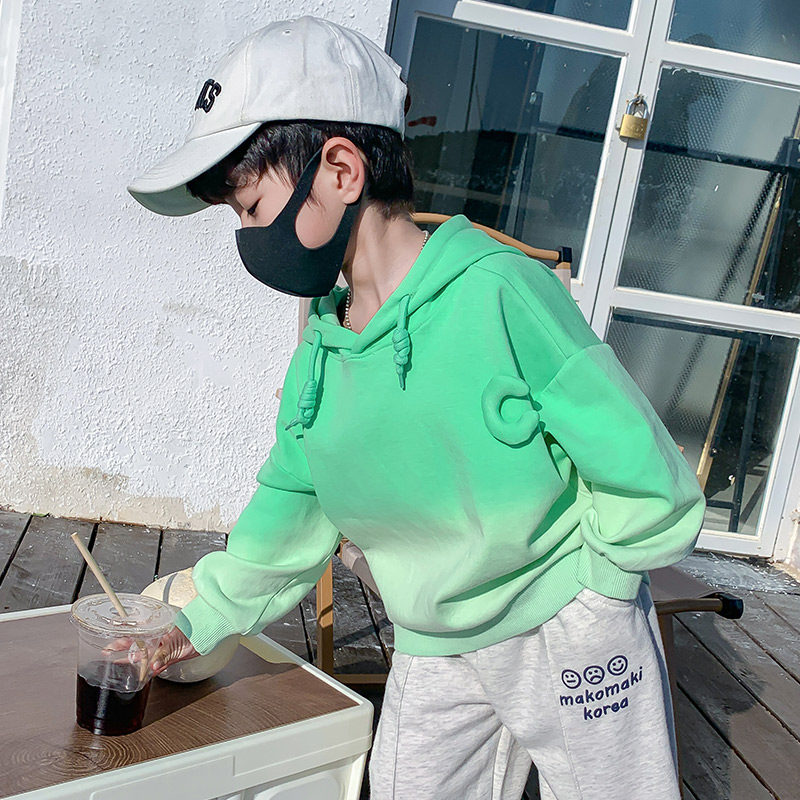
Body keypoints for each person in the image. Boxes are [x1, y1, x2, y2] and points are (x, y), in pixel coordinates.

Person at [126, 15, 706, 800]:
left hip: (566, 624)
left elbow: (639, 462)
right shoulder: (321, 357)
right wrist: (195, 624)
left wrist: (599, 589)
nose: (248, 236)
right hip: (435, 639)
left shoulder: (499, 292)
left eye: (252, 207)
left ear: (340, 169)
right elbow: (286, 521)